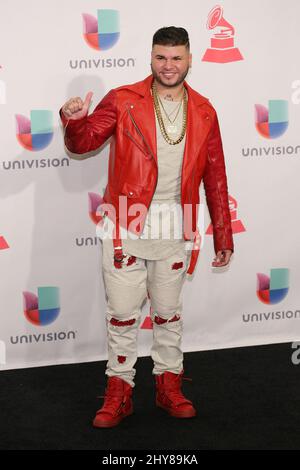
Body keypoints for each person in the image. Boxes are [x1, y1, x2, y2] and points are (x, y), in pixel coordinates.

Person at [60, 26, 234, 428]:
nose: (168, 66)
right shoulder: (124, 100)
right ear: (150, 58)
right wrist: (74, 120)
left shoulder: (205, 110)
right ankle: (119, 392)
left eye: (176, 58)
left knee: (169, 314)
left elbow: (216, 176)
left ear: (190, 58)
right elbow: (83, 143)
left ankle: (168, 387)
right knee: (121, 314)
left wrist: (223, 233)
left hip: (178, 225)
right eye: (160, 57)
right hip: (125, 222)